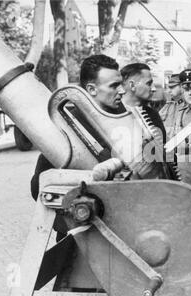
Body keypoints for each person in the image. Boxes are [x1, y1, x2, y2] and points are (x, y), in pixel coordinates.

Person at [31, 54, 127, 201]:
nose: (122, 91)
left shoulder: (121, 115)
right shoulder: (67, 126)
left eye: (121, 84)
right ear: (92, 89)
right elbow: (38, 187)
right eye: (114, 86)